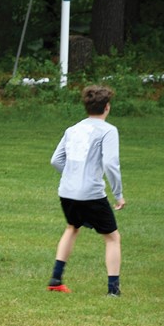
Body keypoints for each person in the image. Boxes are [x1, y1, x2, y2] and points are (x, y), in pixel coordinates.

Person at [47, 84, 125, 296]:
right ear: (107, 107)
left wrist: (73, 174)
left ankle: (55, 279)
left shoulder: (72, 129)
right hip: (90, 192)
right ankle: (113, 290)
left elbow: (56, 160)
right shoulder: (108, 131)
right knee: (112, 237)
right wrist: (118, 194)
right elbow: (110, 164)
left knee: (72, 227)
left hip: (67, 191)